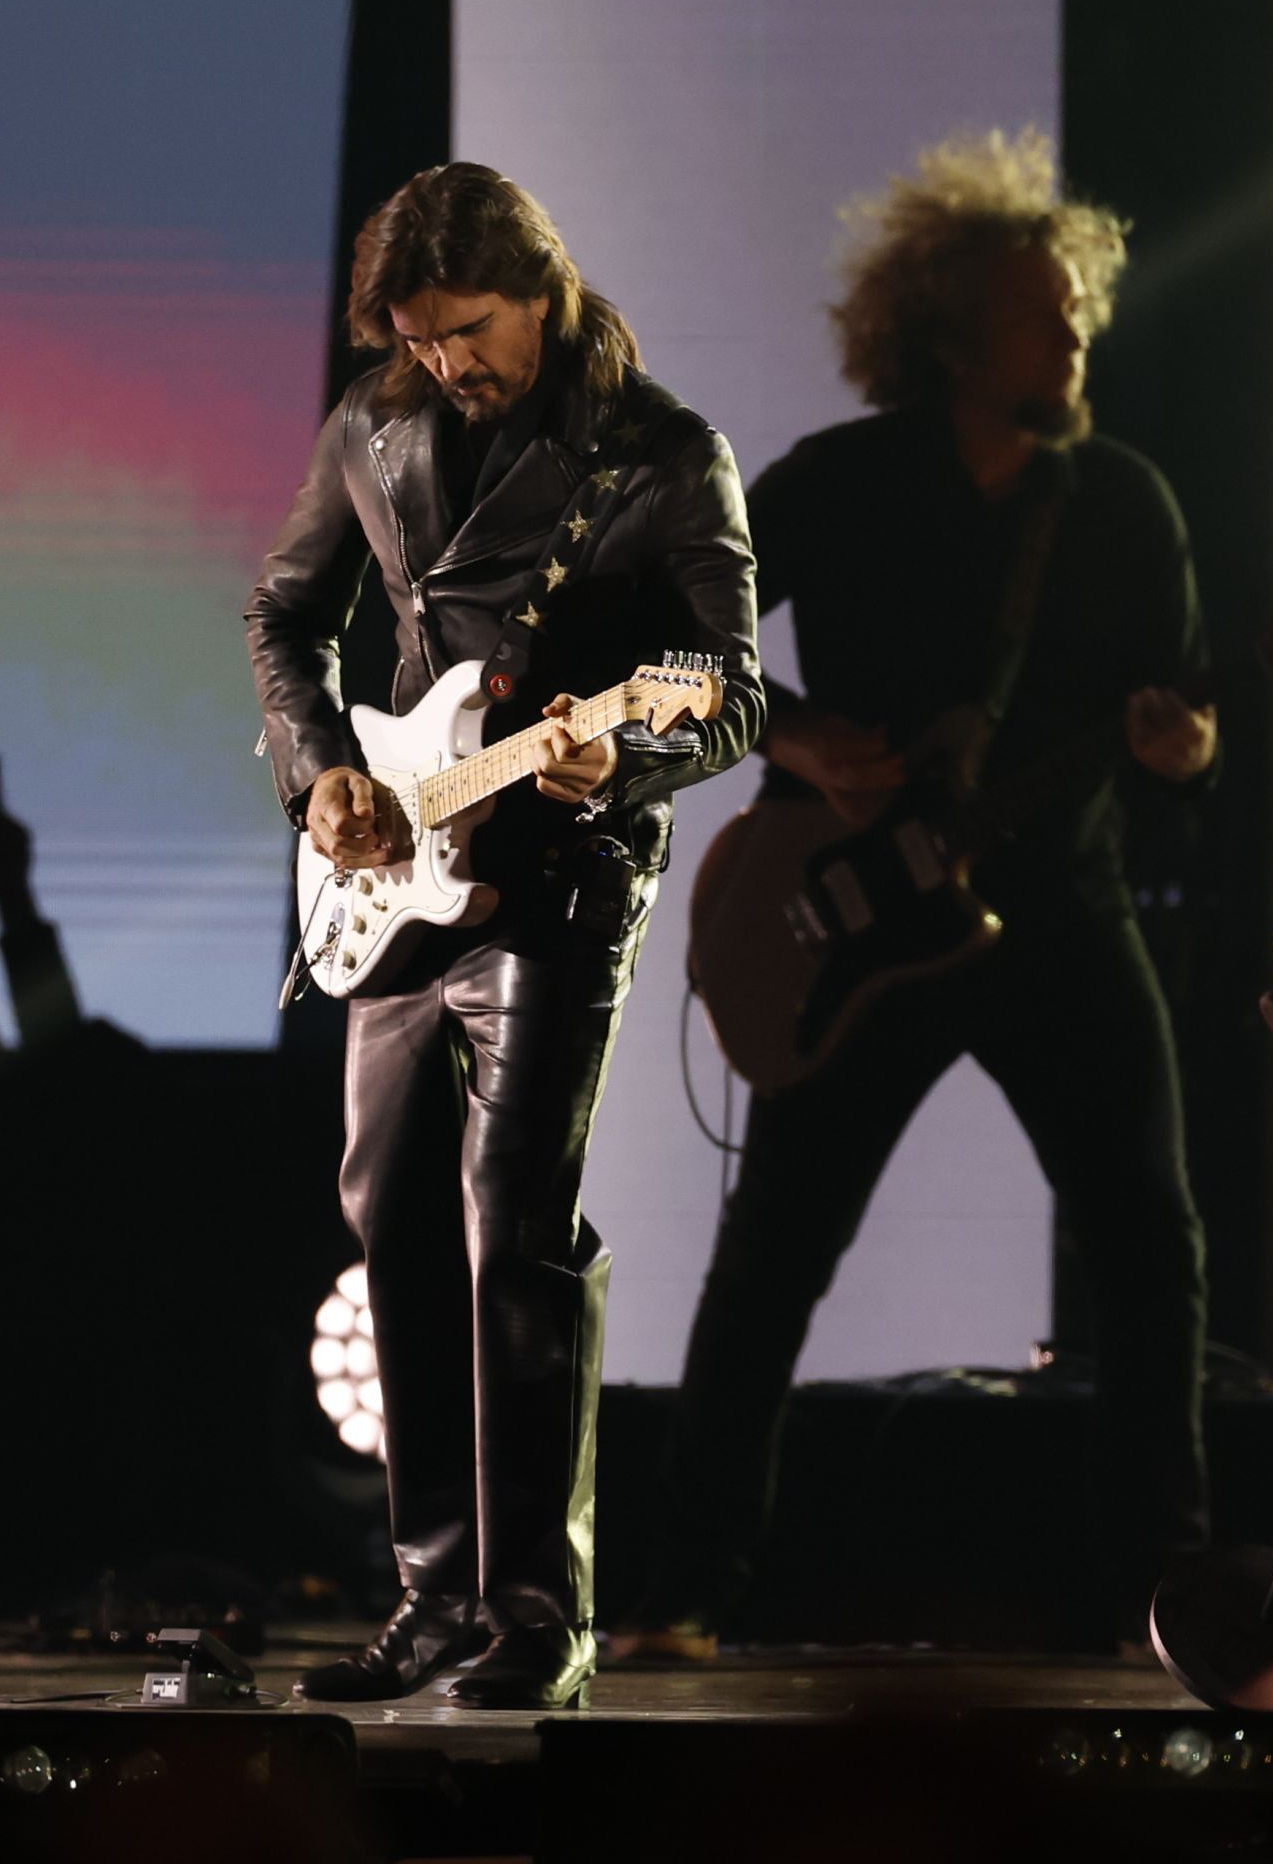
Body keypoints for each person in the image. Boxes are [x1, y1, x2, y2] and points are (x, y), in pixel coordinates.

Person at [633, 130, 1218, 1652]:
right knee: (775, 1254)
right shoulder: (835, 485)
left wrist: (1185, 748)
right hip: (853, 927)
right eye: (1042, 314)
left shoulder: (1124, 504)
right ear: (950, 335)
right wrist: (797, 738)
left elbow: (1185, 722)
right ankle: (689, 1586)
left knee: (1149, 1247)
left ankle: (1160, 1591)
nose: (1075, 335)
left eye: (1077, 310)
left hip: (1062, 913)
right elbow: (671, 650)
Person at [249, 163, 764, 1710]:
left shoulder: (662, 455)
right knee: (392, 1214)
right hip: (400, 869)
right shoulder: (374, 422)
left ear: (540, 290)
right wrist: (323, 775)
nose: (445, 363)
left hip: (560, 877)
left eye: (467, 330)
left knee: (514, 1221)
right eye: (417, 338)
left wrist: (631, 748)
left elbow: (731, 690)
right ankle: (431, 1597)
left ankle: (540, 1614)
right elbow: (286, 612)